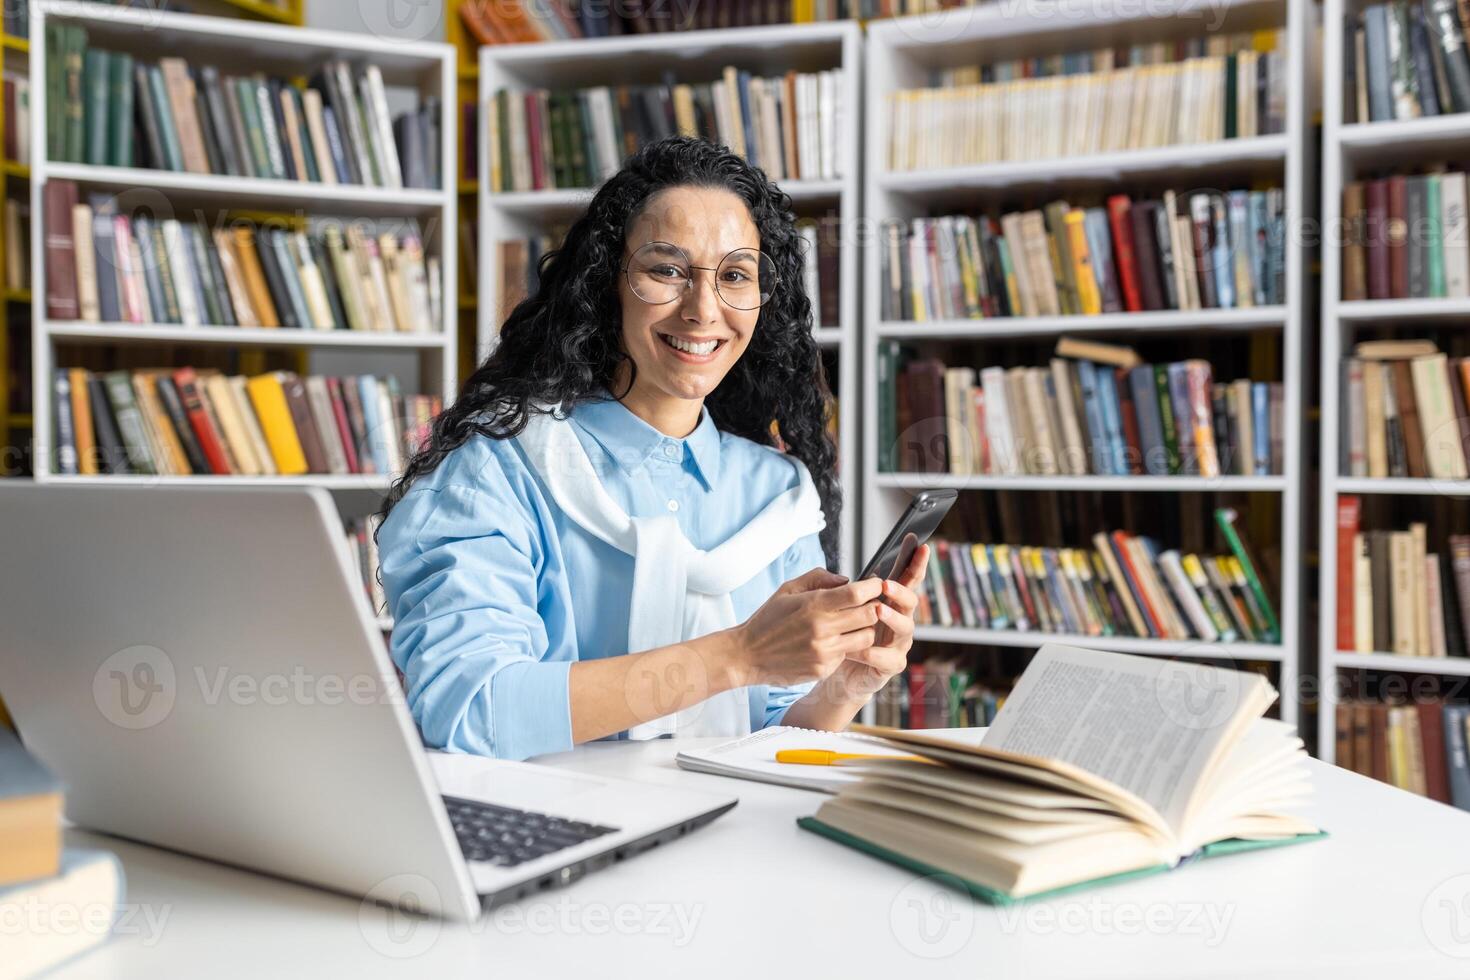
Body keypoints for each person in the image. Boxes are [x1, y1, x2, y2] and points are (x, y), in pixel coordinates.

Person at [375, 135, 929, 761]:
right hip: (555, 838)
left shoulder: (778, 494)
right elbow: (471, 709)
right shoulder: (495, 470)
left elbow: (773, 728)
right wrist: (739, 654)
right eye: (665, 269)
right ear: (607, 283)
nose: (702, 309)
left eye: (735, 276)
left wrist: (848, 681)